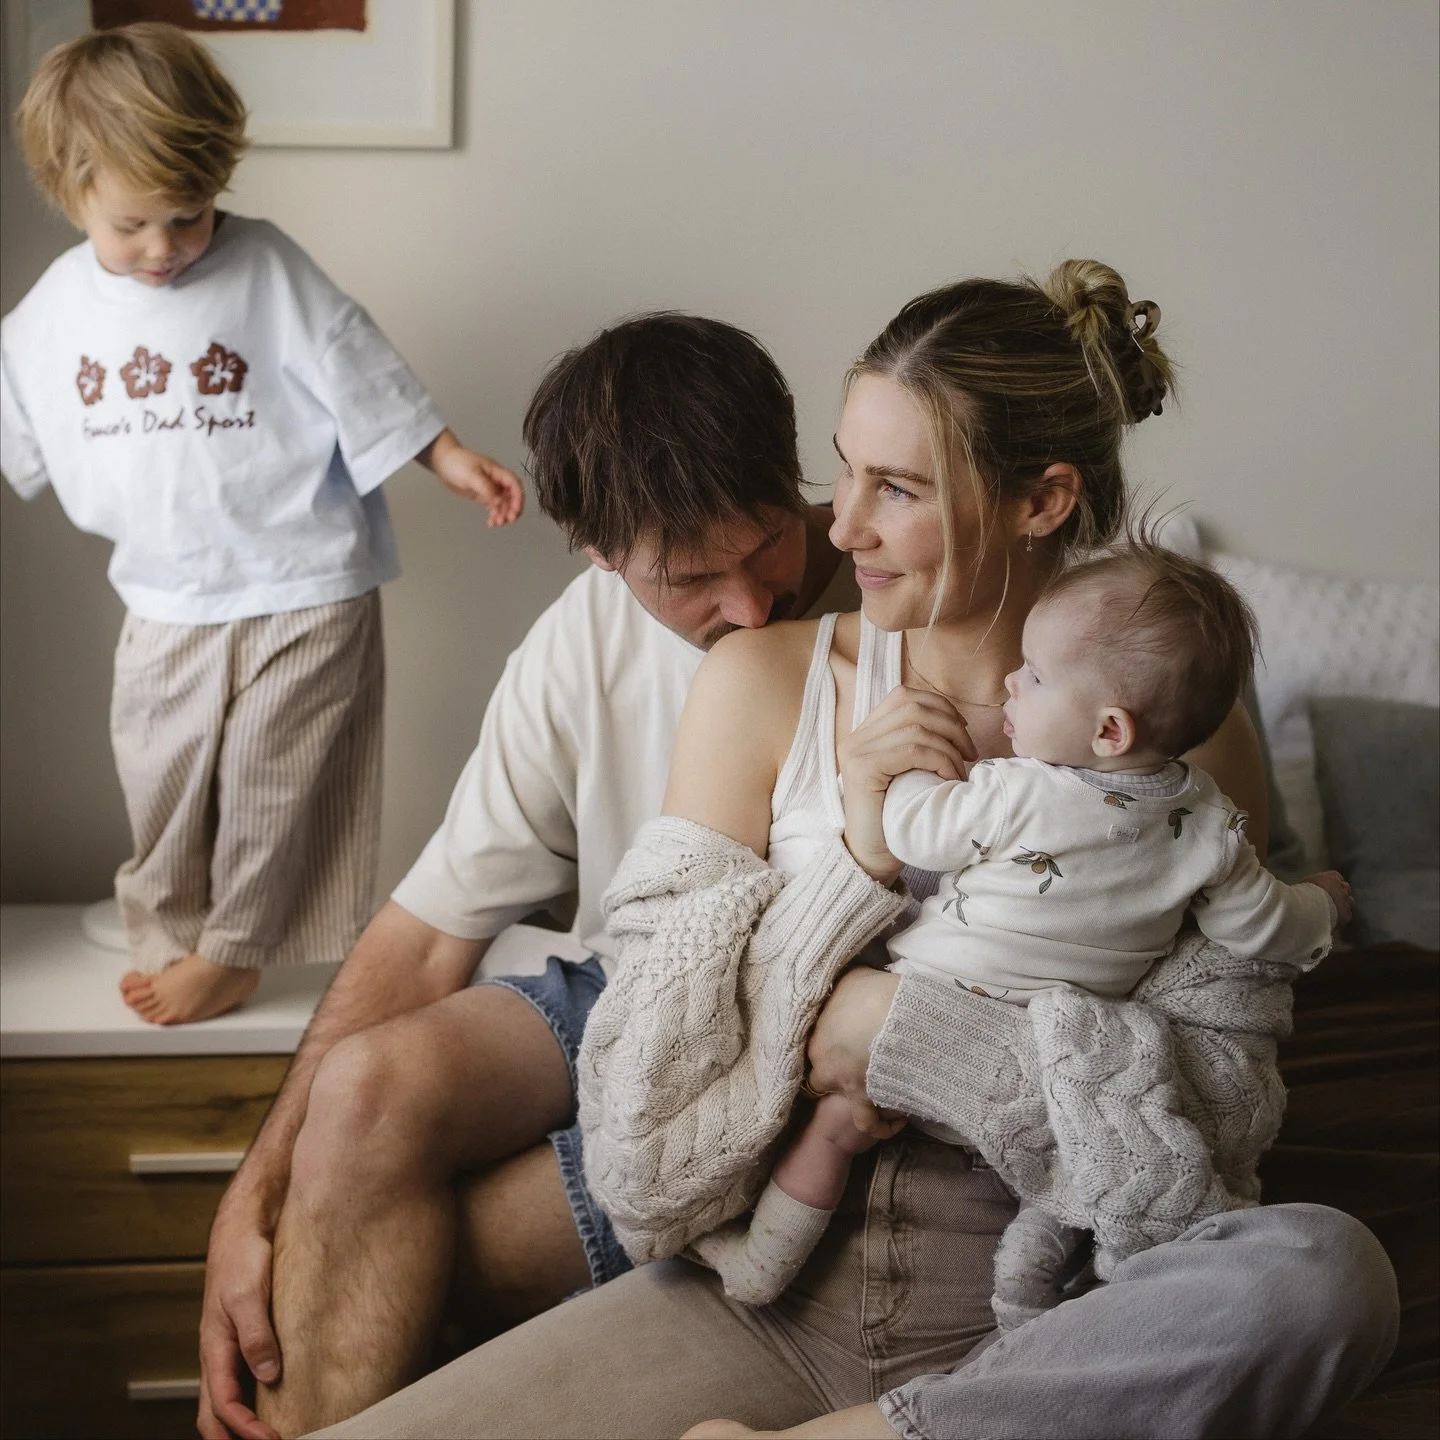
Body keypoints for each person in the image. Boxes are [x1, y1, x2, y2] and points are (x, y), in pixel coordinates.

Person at [312, 262, 1397, 1440]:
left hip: (1040, 1330)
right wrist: (861, 865)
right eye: (845, 470)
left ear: (1041, 501)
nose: (841, 526)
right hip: (771, 1299)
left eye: (896, 488)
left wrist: (906, 1035)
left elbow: (1220, 1111)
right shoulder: (763, 684)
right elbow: (646, 1116)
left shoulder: (1188, 746)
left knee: (1325, 1273)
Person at [194, 311, 859, 1440]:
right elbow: (427, 932)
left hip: (795, 1032)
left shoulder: (894, 580)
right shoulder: (584, 639)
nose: (750, 610)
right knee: (354, 1100)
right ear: (597, 551)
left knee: (392, 1248)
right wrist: (246, 1200)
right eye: (692, 578)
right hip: (632, 998)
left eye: (767, 547)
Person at [673, 540, 1355, 1319]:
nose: (1009, 683)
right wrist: (1325, 904)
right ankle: (1025, 1305)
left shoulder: (1016, 791)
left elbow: (915, 832)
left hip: (920, 1030)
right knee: (1067, 1192)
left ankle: (760, 1267)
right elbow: (1266, 924)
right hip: (1046, 1075)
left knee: (832, 1131)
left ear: (1107, 732)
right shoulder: (1208, 826)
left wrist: (902, 771)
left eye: (1032, 677)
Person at [0, 23, 523, 1026]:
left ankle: (238, 949)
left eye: (188, 218)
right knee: (159, 769)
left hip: (306, 577)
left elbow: (354, 364)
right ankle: (169, 922)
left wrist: (446, 454)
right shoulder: (52, 314)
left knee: (276, 780)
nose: (162, 250)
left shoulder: (267, 268)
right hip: (165, 590)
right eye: (131, 226)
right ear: (71, 195)